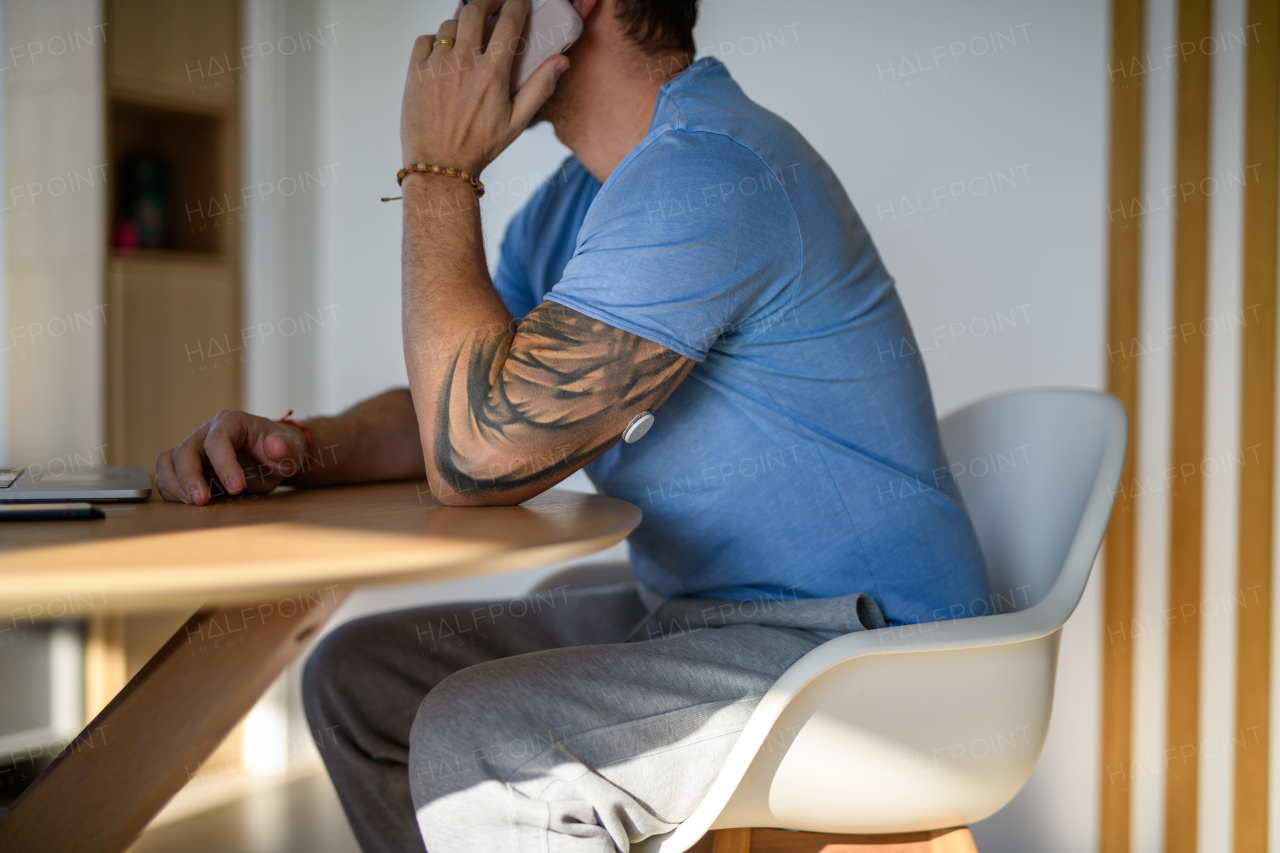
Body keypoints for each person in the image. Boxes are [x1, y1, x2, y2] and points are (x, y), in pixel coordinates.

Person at [154, 0, 990, 850]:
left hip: (876, 655)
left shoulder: (708, 168)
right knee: (359, 679)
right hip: (707, 617)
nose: (458, 18)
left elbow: (476, 453)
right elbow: (464, 406)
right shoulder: (575, 202)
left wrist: (438, 171)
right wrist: (295, 448)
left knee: (481, 734)